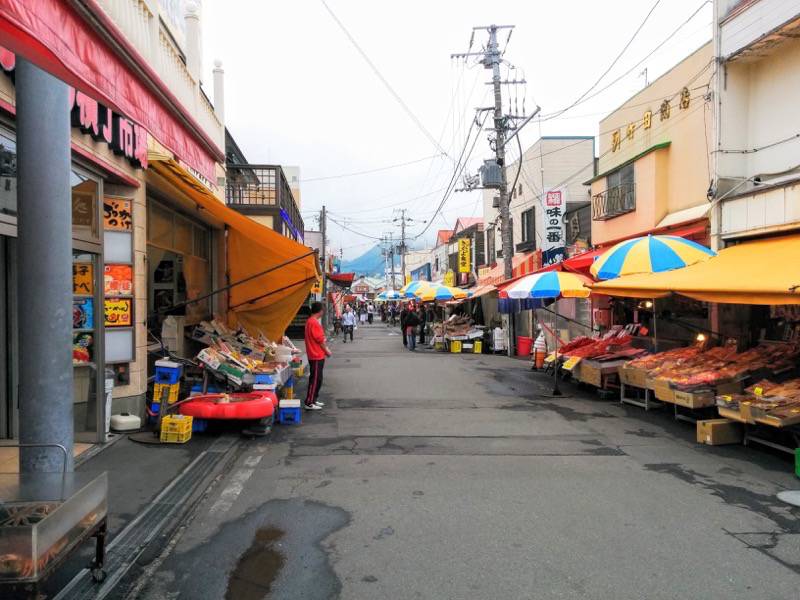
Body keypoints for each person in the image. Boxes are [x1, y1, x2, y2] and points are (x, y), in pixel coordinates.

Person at [304, 302, 331, 411]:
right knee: (315, 379)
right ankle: (309, 402)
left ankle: (313, 399)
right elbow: (320, 340)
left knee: (317, 379)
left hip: (315, 354)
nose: (323, 312)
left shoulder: (310, 321)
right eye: (323, 310)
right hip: (316, 355)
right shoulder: (314, 322)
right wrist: (327, 351)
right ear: (320, 311)